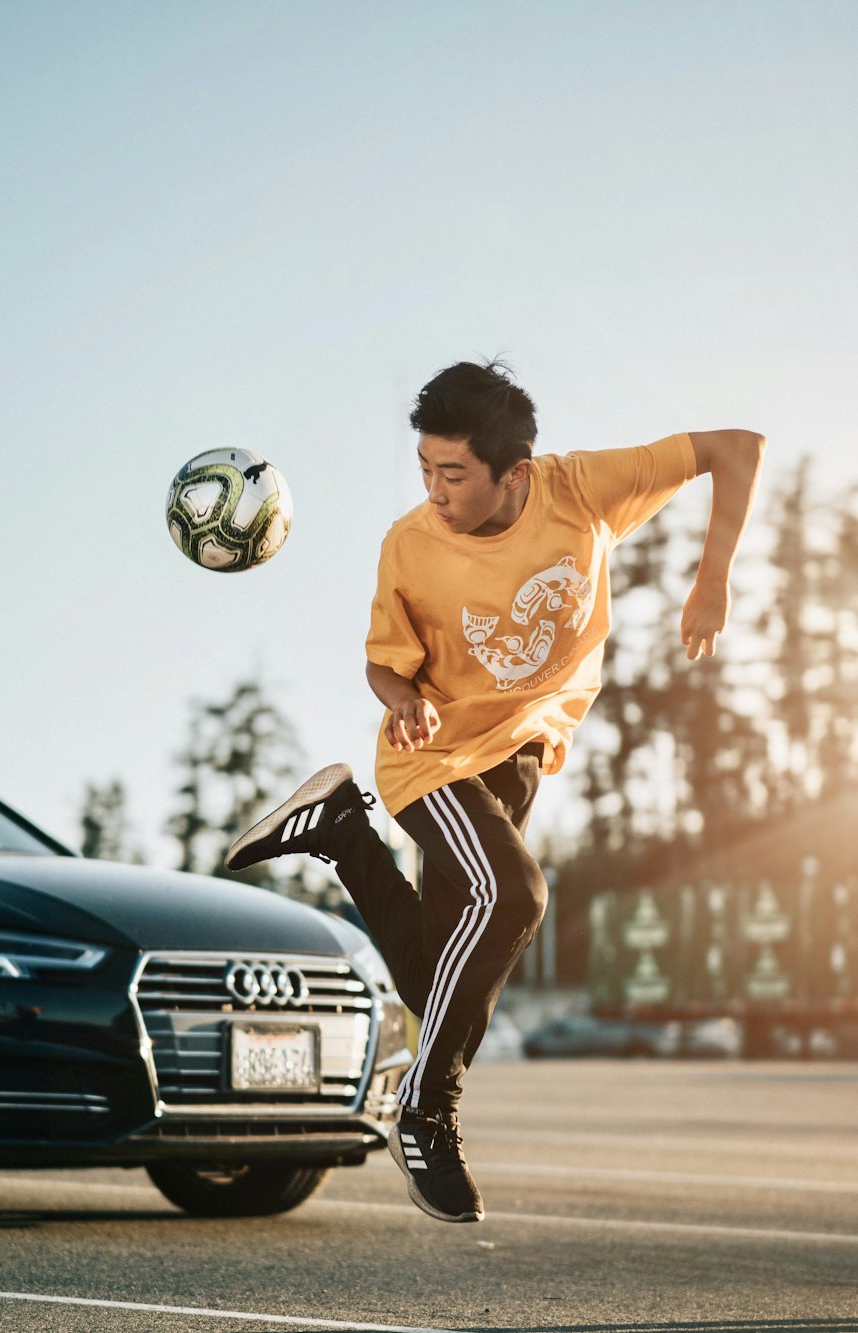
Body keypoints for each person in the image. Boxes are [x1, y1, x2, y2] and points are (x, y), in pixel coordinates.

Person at [225, 359, 765, 1224]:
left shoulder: (582, 488)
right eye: (426, 470)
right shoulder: (410, 542)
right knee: (514, 893)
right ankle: (425, 1115)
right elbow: (382, 660)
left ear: (514, 472)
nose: (435, 491)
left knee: (443, 985)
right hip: (428, 762)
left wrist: (714, 576)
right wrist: (401, 701)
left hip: (515, 760)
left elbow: (736, 449)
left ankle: (340, 832)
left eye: (454, 473)